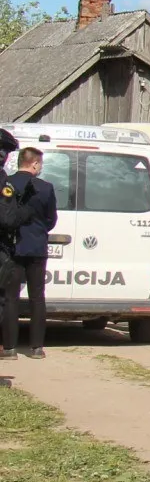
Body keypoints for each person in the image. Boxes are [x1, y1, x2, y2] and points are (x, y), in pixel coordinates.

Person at [2, 146, 57, 361]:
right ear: (34, 163)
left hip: (11, 247)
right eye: (40, 164)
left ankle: (9, 348)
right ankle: (36, 348)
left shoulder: (8, 184)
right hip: (36, 247)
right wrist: (39, 231)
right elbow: (51, 219)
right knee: (37, 297)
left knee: (10, 298)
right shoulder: (45, 188)